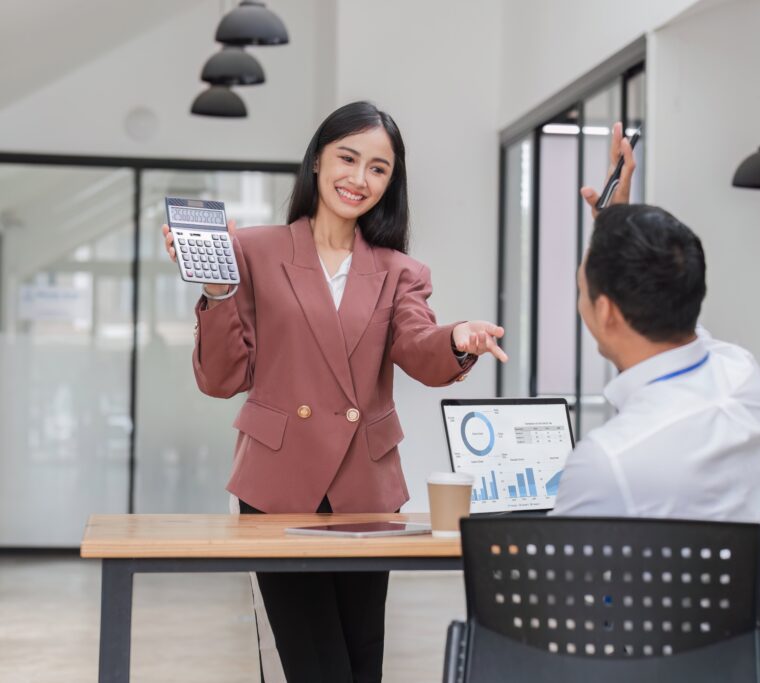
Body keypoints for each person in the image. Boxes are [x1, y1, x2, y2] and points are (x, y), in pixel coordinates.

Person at [161, 101, 507, 683]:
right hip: (276, 484)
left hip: (364, 488)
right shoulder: (254, 251)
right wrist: (218, 290)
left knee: (360, 660)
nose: (359, 178)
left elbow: (419, 345)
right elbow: (221, 379)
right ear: (318, 160)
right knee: (315, 665)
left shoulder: (401, 270)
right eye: (348, 158)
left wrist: (459, 338)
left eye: (378, 168)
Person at [551, 126, 760, 682]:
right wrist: (619, 225)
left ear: (607, 313)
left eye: (582, 282)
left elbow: (556, 619)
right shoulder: (742, 379)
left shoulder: (611, 458)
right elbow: (673, 317)